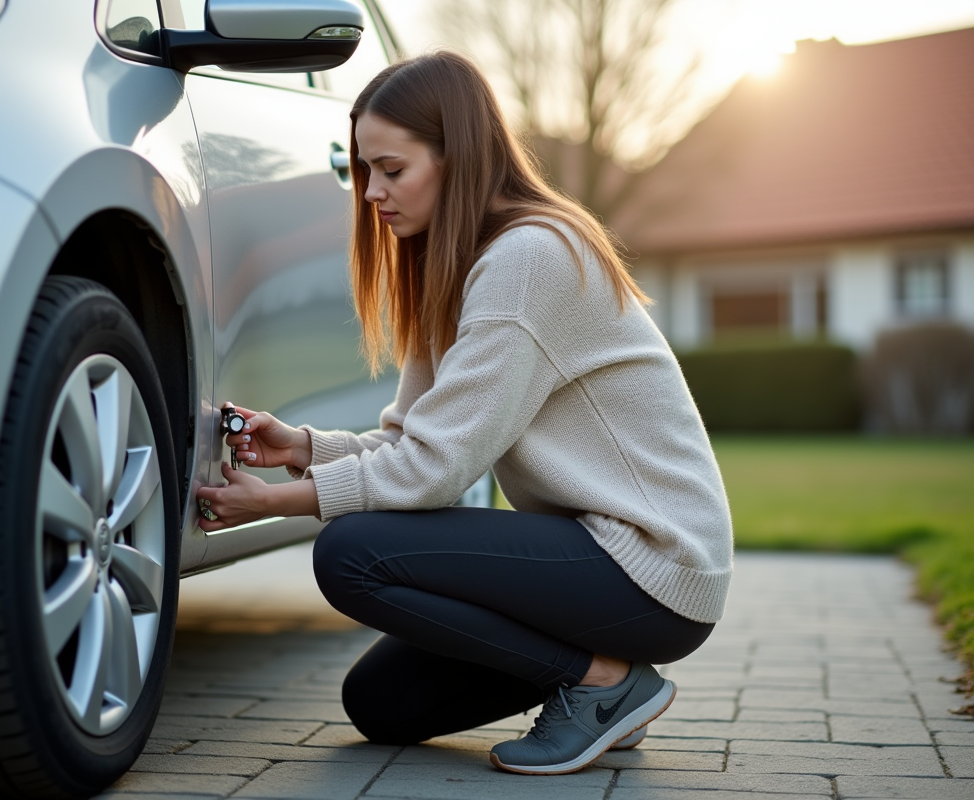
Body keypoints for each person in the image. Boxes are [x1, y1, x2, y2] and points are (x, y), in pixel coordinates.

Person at [194, 51, 732, 775]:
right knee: (381, 706)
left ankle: (601, 683)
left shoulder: (530, 258)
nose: (372, 193)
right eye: (365, 172)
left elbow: (435, 472)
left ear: (459, 158)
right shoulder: (456, 266)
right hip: (592, 552)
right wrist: (302, 448)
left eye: (393, 169)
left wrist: (280, 502)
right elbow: (410, 442)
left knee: (350, 553)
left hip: (652, 562)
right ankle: (602, 681)